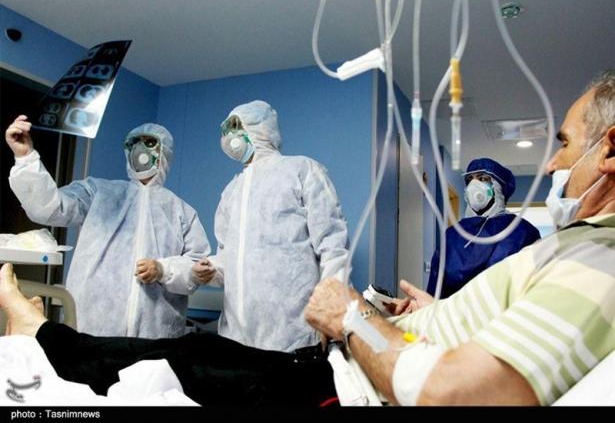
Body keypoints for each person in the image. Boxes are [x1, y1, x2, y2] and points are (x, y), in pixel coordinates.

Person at [3, 71, 615, 406]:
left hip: (309, 346)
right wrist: (435, 312)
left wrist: (346, 313)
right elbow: (212, 258)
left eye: (562, 142)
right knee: (193, 356)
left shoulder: (592, 263)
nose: (556, 165)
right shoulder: (227, 192)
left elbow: (332, 243)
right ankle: (50, 334)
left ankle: (39, 333)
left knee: (185, 361)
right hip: (248, 326)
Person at [5, 116, 211, 338]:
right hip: (92, 327)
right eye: (134, 143)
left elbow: (195, 269)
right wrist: (26, 158)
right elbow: (49, 207)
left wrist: (163, 270)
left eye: (150, 142)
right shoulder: (98, 193)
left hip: (155, 336)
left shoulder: (181, 212)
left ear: (164, 153)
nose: (140, 149)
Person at [192, 100, 349, 353]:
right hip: (235, 333)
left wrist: (329, 313)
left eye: (235, 126)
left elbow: (332, 245)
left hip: (294, 332)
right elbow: (228, 259)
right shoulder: (231, 191)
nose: (228, 136)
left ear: (261, 129)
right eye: (225, 130)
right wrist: (211, 270)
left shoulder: (302, 169)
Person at [426, 158, 540, 298]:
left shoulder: (522, 231)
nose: (474, 184)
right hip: (455, 316)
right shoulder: (453, 234)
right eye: (470, 179)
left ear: (498, 187)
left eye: (483, 178)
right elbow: (435, 289)